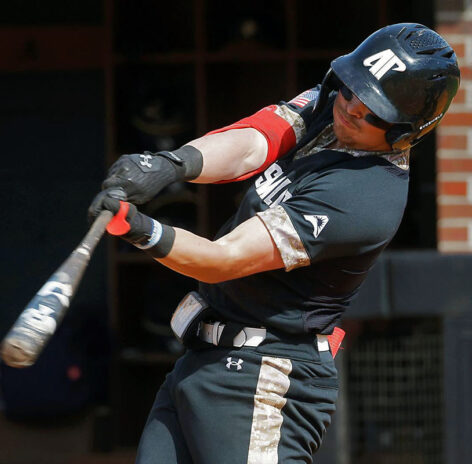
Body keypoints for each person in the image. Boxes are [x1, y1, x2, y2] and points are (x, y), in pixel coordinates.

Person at [89, 23, 459, 463]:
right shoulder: (333, 105)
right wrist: (173, 164)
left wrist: (137, 227)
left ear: (408, 130)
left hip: (264, 378)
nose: (353, 108)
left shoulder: (366, 196)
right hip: (201, 360)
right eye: (351, 90)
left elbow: (222, 259)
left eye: (375, 111)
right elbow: (253, 143)